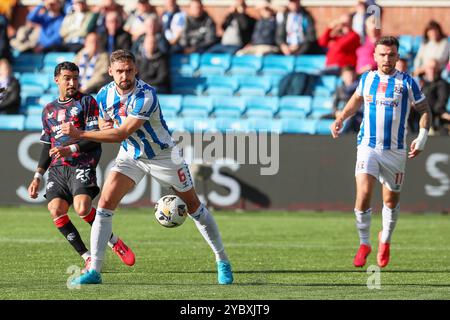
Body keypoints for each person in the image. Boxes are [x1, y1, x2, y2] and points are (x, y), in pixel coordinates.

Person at [62, 50, 233, 285]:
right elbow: (105, 123)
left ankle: (222, 260)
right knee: (104, 205)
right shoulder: (103, 95)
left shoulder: (146, 95)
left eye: (129, 70)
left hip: (163, 156)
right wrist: (103, 124)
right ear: (110, 72)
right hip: (131, 155)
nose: (125, 76)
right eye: (120, 71)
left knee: (194, 207)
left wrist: (80, 134)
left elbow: (122, 132)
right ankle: (96, 271)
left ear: (136, 70)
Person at [330, 36, 431, 268]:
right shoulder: (366, 79)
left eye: (391, 54)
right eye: (382, 54)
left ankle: (385, 238)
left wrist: (423, 136)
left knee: (390, 200)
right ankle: (364, 243)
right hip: (368, 146)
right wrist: (341, 118)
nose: (387, 58)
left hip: (395, 151)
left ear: (397, 57)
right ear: (375, 56)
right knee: (363, 194)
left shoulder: (408, 82)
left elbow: (425, 110)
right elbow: (356, 100)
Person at [27, 61, 135, 273]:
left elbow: (95, 138)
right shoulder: (48, 110)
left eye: (75, 78)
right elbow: (47, 145)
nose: (72, 82)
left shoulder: (87, 102)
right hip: (58, 169)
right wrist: (38, 175)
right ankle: (87, 257)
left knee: (82, 208)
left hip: (82, 162)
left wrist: (72, 149)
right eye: (67, 78)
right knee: (55, 210)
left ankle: (113, 241)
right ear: (57, 79)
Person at [421, 59, 450, 135]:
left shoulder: (443, 84)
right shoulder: (424, 84)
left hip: (435, 119)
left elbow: (440, 104)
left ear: (438, 69)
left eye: (434, 68)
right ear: (425, 69)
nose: (432, 70)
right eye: (429, 68)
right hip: (421, 116)